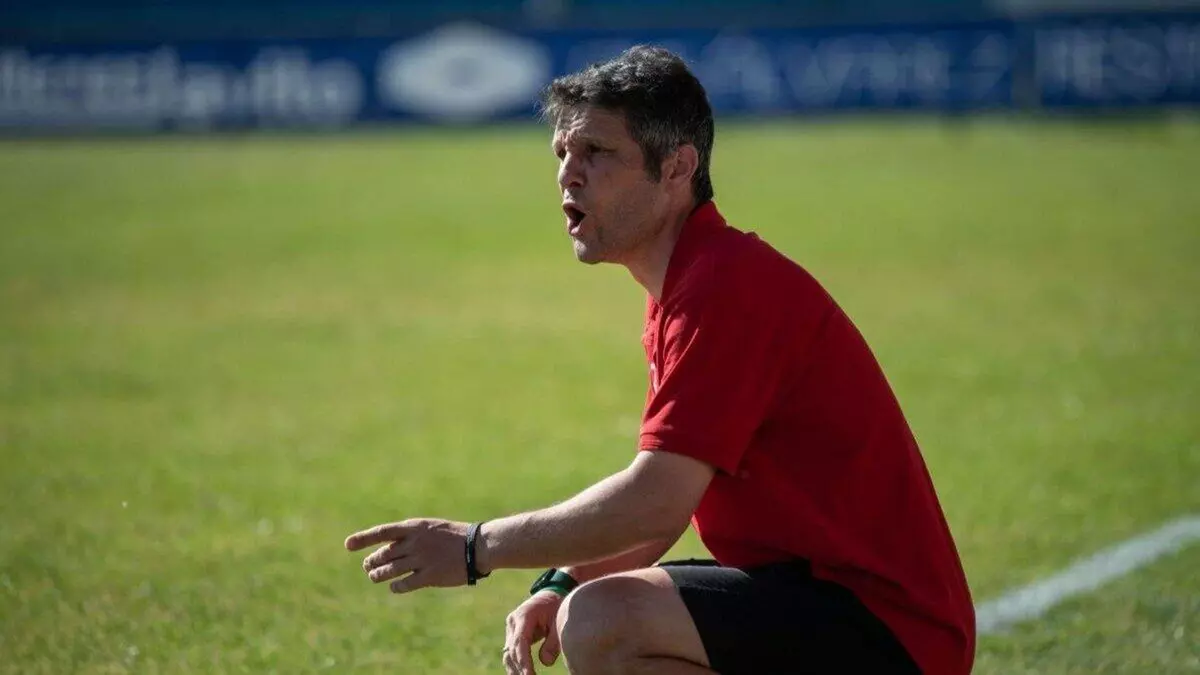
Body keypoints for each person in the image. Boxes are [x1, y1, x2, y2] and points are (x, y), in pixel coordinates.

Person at [345, 45, 976, 675]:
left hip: (890, 629)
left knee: (605, 619)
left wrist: (474, 547)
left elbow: (655, 500)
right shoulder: (691, 285)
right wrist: (561, 581)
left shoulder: (726, 288)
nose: (568, 174)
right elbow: (666, 502)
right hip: (824, 602)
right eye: (562, 152)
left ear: (677, 168)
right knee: (592, 610)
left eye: (597, 152)